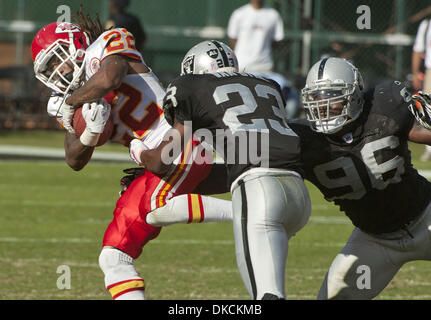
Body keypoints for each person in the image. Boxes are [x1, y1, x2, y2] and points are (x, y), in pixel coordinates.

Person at [31, 18, 232, 300]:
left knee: (150, 214)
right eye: (48, 69)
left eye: (56, 60)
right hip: (166, 159)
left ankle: (245, 213)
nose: (57, 71)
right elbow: (74, 159)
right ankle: (247, 207)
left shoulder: (106, 45)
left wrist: (73, 102)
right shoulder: (69, 97)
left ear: (75, 45)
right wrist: (91, 132)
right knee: (114, 253)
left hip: (180, 142)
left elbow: (108, 79)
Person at [130, 40, 311, 300]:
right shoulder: (266, 85)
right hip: (298, 195)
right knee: (267, 293)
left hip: (259, 190)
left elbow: (161, 160)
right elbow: (250, 155)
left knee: (267, 297)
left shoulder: (191, 87)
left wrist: (139, 152)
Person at [288, 57, 431, 299]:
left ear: (354, 95)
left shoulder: (385, 103)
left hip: (426, 216)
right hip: (374, 241)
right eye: (316, 97)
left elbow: (421, 132)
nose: (323, 105)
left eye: (332, 96)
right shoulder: (302, 140)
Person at [227, 0, 284, 73]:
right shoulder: (239, 13)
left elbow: (277, 39)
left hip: (264, 67)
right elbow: (233, 37)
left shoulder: (273, 14)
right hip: (242, 65)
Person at [412, 17, 431, 161]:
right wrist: (415, 73)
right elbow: (418, 51)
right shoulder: (426, 24)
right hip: (430, 70)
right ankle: (429, 149)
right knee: (428, 111)